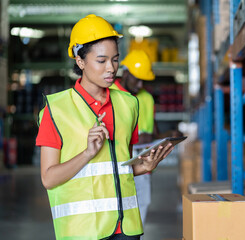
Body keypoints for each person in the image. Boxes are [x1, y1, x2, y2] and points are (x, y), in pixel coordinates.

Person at [36, 14, 174, 240]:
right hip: (83, 231)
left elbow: (118, 168)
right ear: (80, 61)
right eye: (101, 61)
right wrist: (87, 153)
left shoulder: (128, 104)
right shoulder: (56, 110)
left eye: (115, 59)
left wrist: (145, 165)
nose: (111, 68)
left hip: (126, 229)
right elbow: (48, 178)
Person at [110, 50, 157, 233]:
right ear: (126, 73)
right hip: (117, 163)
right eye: (137, 79)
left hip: (141, 162)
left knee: (141, 206)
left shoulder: (146, 98)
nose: (140, 84)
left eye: (144, 80)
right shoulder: (109, 94)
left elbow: (152, 131)